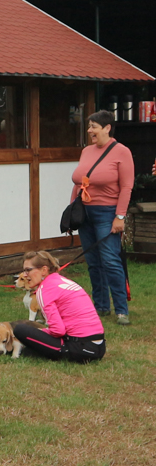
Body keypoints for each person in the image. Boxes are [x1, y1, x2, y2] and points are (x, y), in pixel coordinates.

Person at [71, 110, 134, 326]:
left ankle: (121, 310)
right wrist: (73, 212)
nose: (89, 131)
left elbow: (126, 187)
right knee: (93, 262)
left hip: (107, 213)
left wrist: (120, 216)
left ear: (107, 128)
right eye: (89, 126)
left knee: (110, 261)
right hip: (85, 212)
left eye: (93, 127)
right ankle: (100, 306)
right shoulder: (86, 151)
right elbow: (79, 183)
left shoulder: (122, 152)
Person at [11, 251, 105, 362]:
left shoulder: (44, 290)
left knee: (20, 330)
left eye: (28, 270)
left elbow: (58, 331)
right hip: (99, 347)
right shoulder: (62, 281)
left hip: (81, 348)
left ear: (44, 270)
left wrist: (41, 332)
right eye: (24, 270)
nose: (25, 274)